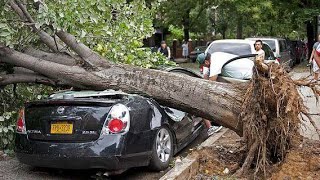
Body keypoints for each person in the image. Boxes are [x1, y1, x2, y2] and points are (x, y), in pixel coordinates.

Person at [196, 53, 223, 136]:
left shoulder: (214, 64)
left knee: (202, 103)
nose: (204, 67)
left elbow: (210, 85)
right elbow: (205, 77)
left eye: (204, 65)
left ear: (207, 62)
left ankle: (210, 128)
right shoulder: (213, 58)